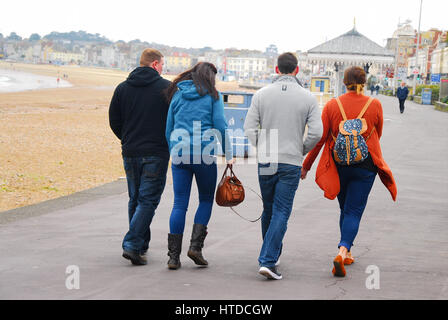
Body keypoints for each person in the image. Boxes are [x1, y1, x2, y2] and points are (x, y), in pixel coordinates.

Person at [301, 66, 397, 278]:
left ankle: (347, 251)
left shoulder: (333, 105)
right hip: (366, 165)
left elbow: (320, 140)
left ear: (344, 82)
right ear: (365, 82)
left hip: (339, 165)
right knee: (354, 211)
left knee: (345, 209)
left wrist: (306, 166)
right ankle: (343, 250)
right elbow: (377, 134)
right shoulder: (375, 104)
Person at [244, 52, 323, 280]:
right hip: (290, 161)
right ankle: (268, 259)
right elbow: (317, 132)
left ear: (277, 70)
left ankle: (271, 254)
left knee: (269, 208)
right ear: (297, 70)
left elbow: (249, 128)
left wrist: (264, 145)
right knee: (281, 210)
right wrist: (302, 149)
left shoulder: (261, 95)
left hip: (267, 160)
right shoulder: (308, 98)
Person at [165, 62, 234, 270]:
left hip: (179, 155)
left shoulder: (178, 94)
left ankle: (173, 258)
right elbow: (220, 125)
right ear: (211, 77)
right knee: (205, 200)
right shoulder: (213, 96)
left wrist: (174, 150)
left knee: (179, 204)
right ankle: (195, 248)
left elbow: (169, 127)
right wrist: (229, 154)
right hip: (204, 155)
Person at [109, 48, 171, 266]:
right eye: (163, 64)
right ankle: (133, 244)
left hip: (131, 151)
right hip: (156, 152)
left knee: (135, 199)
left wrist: (126, 139)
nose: (164, 68)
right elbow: (173, 120)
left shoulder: (122, 88)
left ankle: (140, 247)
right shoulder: (166, 88)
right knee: (148, 200)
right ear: (155, 64)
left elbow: (114, 121)